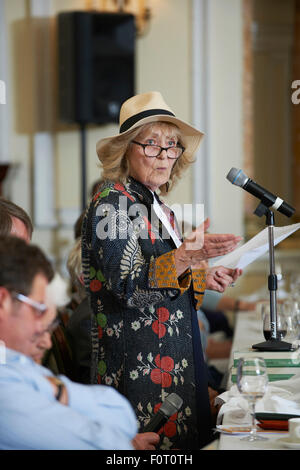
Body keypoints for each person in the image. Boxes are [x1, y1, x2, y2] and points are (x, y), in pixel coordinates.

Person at [81, 91, 243, 450]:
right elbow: (129, 287)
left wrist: (203, 274)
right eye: (152, 145)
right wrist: (186, 258)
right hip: (139, 377)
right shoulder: (113, 204)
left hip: (171, 367)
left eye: (172, 146)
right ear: (125, 148)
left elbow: (166, 281)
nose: (165, 156)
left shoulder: (154, 205)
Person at [0, 236, 160, 450]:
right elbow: (111, 442)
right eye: (39, 309)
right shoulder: (6, 380)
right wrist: (57, 391)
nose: (46, 342)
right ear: (4, 302)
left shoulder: (13, 361)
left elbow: (122, 418)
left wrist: (55, 390)